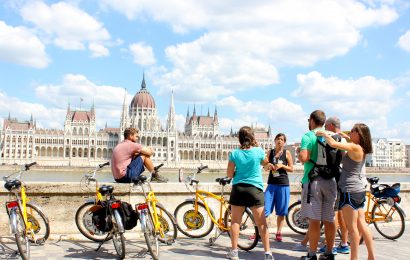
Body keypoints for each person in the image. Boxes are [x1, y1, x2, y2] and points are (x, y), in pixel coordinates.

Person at [317, 123, 375, 260]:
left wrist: (324, 133)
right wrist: (345, 135)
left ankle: (353, 258)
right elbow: (348, 140)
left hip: (350, 191)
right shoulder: (362, 148)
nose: (351, 132)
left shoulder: (355, 147)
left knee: (352, 228)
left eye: (353, 130)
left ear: (359, 134)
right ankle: (371, 257)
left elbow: (332, 144)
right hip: (359, 190)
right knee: (362, 225)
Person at [226, 126, 273, 260]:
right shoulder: (258, 151)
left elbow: (229, 174)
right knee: (262, 223)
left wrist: (238, 173)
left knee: (235, 221)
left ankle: (234, 252)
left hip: (239, 189)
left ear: (240, 138)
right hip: (255, 190)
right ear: (252, 137)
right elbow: (266, 164)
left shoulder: (234, 153)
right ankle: (267, 253)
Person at [299, 110, 337, 260]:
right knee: (329, 218)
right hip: (331, 181)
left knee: (314, 220)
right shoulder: (331, 135)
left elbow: (303, 157)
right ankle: (329, 252)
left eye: (309, 120)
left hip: (313, 181)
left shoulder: (308, 136)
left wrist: (303, 153)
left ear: (312, 121)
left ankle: (312, 254)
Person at [319, 117, 350, 254]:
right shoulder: (345, 138)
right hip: (344, 179)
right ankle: (343, 243)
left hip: (335, 178)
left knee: (334, 213)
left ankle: (329, 245)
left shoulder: (336, 139)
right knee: (341, 213)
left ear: (331, 126)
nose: (325, 128)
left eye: (326, 126)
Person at [264, 133, 294, 242]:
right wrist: (269, 166)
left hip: (283, 185)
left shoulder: (287, 153)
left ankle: (278, 232)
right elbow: (265, 167)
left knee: (281, 211)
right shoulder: (270, 152)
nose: (279, 141)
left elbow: (291, 168)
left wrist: (282, 166)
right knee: (265, 210)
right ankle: (260, 232)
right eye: (278, 139)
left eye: (282, 139)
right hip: (271, 185)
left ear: (284, 142)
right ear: (275, 140)